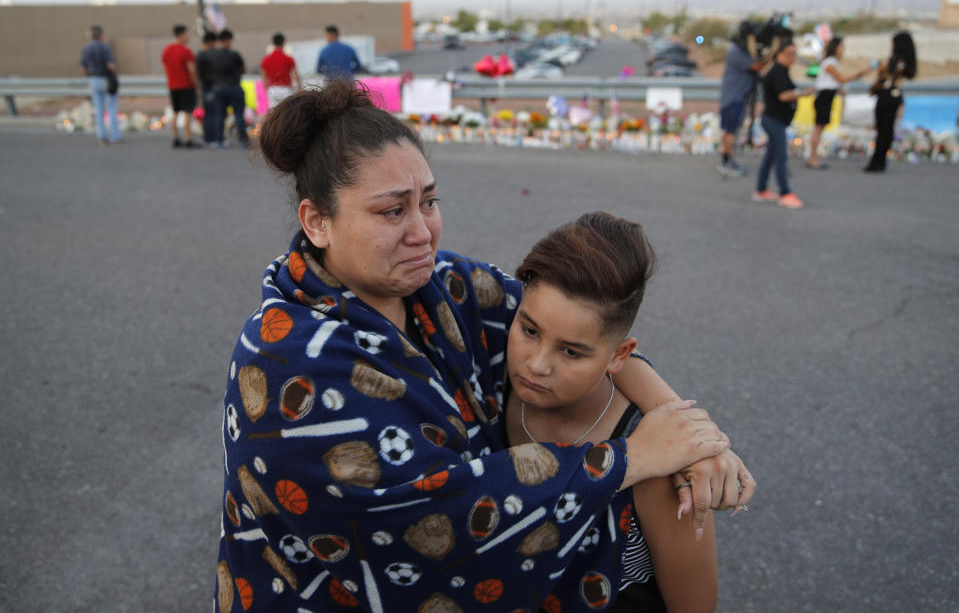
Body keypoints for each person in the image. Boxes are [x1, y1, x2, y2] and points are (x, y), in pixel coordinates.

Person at [215, 80, 755, 613]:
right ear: (317, 222)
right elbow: (437, 523)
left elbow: (588, 336)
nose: (423, 231)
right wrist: (630, 458)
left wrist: (689, 431)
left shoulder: (445, 288)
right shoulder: (282, 357)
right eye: (391, 211)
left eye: (428, 201)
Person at [505, 212, 720, 613]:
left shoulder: (658, 459)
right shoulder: (489, 384)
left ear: (620, 355)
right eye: (529, 330)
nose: (536, 365)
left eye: (571, 351)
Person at [752, 41, 813, 209]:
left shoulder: (782, 71)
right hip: (774, 120)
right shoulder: (777, 71)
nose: (792, 57)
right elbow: (783, 96)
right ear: (778, 54)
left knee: (771, 156)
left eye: (794, 53)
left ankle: (761, 189)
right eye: (789, 53)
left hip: (777, 119)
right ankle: (785, 192)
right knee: (781, 157)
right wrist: (802, 93)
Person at [807, 36, 868, 170]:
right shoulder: (830, 62)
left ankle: (814, 157)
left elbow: (833, 82)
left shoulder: (832, 62)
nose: (843, 49)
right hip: (824, 98)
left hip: (826, 97)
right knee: (818, 129)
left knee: (819, 128)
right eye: (841, 46)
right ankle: (812, 158)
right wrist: (859, 73)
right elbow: (841, 79)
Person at [715, 24, 768, 177]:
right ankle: (727, 162)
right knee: (731, 131)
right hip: (735, 98)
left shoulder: (737, 51)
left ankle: (726, 158)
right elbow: (757, 67)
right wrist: (770, 55)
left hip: (732, 97)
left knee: (728, 131)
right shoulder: (738, 52)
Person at [864, 31, 917, 173]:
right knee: (887, 130)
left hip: (886, 98)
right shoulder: (906, 63)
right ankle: (880, 161)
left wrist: (880, 70)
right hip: (895, 97)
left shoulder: (895, 62)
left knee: (883, 130)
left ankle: (877, 161)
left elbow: (883, 79)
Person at [78, 25, 122, 145]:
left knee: (99, 110)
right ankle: (115, 136)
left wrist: (90, 75)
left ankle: (101, 136)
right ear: (101, 35)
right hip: (105, 79)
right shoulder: (104, 47)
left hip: (93, 80)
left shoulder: (86, 48)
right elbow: (110, 65)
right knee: (112, 108)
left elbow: (82, 68)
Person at [208, 29, 249, 149]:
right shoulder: (235, 54)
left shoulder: (213, 55)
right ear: (228, 40)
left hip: (218, 88)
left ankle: (220, 141)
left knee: (220, 115)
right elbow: (244, 69)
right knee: (239, 115)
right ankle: (244, 141)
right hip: (234, 87)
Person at [161, 24, 200, 148]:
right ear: (181, 34)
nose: (188, 36)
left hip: (173, 86)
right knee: (188, 113)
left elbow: (166, 68)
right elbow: (192, 71)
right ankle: (188, 139)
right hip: (186, 86)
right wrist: (196, 85)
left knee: (175, 112)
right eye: (187, 33)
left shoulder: (166, 51)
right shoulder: (186, 51)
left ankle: (176, 138)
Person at [260, 32, 302, 110]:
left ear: (273, 43)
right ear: (283, 43)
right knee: (287, 113)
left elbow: (264, 78)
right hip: (286, 89)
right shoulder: (289, 59)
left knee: (273, 114)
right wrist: (300, 89)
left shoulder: (266, 60)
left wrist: (267, 90)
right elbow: (296, 75)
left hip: (272, 89)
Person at [195, 31, 219, 147]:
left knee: (208, 112)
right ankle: (212, 138)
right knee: (212, 112)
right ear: (210, 42)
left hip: (205, 87)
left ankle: (208, 137)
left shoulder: (199, 55)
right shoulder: (210, 55)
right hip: (211, 86)